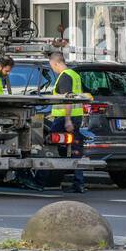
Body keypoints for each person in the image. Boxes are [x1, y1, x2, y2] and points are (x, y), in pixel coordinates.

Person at [48, 51, 88, 193]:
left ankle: (53, 176)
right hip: (76, 116)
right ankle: (79, 182)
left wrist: (67, 120)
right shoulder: (75, 75)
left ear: (56, 63)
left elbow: (68, 99)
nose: (52, 68)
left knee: (49, 144)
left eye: (52, 65)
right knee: (76, 149)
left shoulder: (64, 77)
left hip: (66, 117)